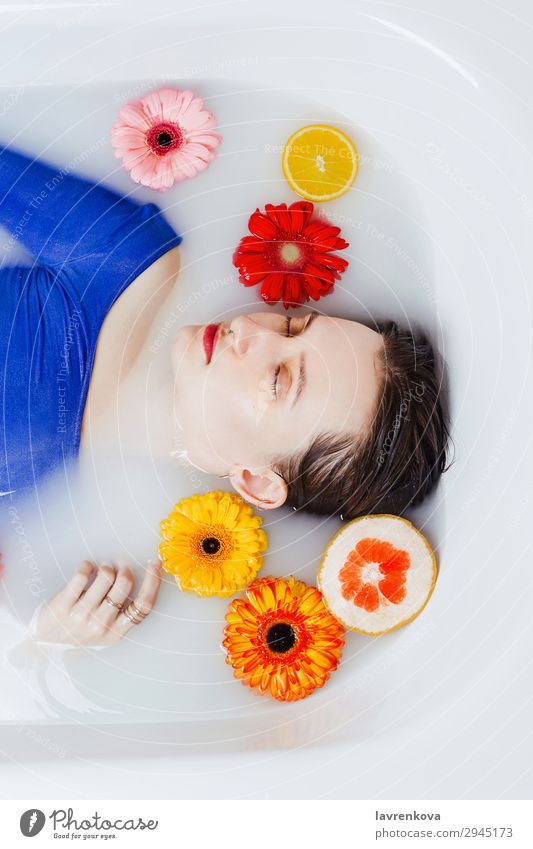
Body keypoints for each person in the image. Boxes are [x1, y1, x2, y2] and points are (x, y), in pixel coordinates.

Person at [0, 142, 451, 647]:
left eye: (279, 378)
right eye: (292, 324)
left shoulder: (68, 537)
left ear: (257, 482)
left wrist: (37, 636)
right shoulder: (125, 258)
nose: (248, 331)